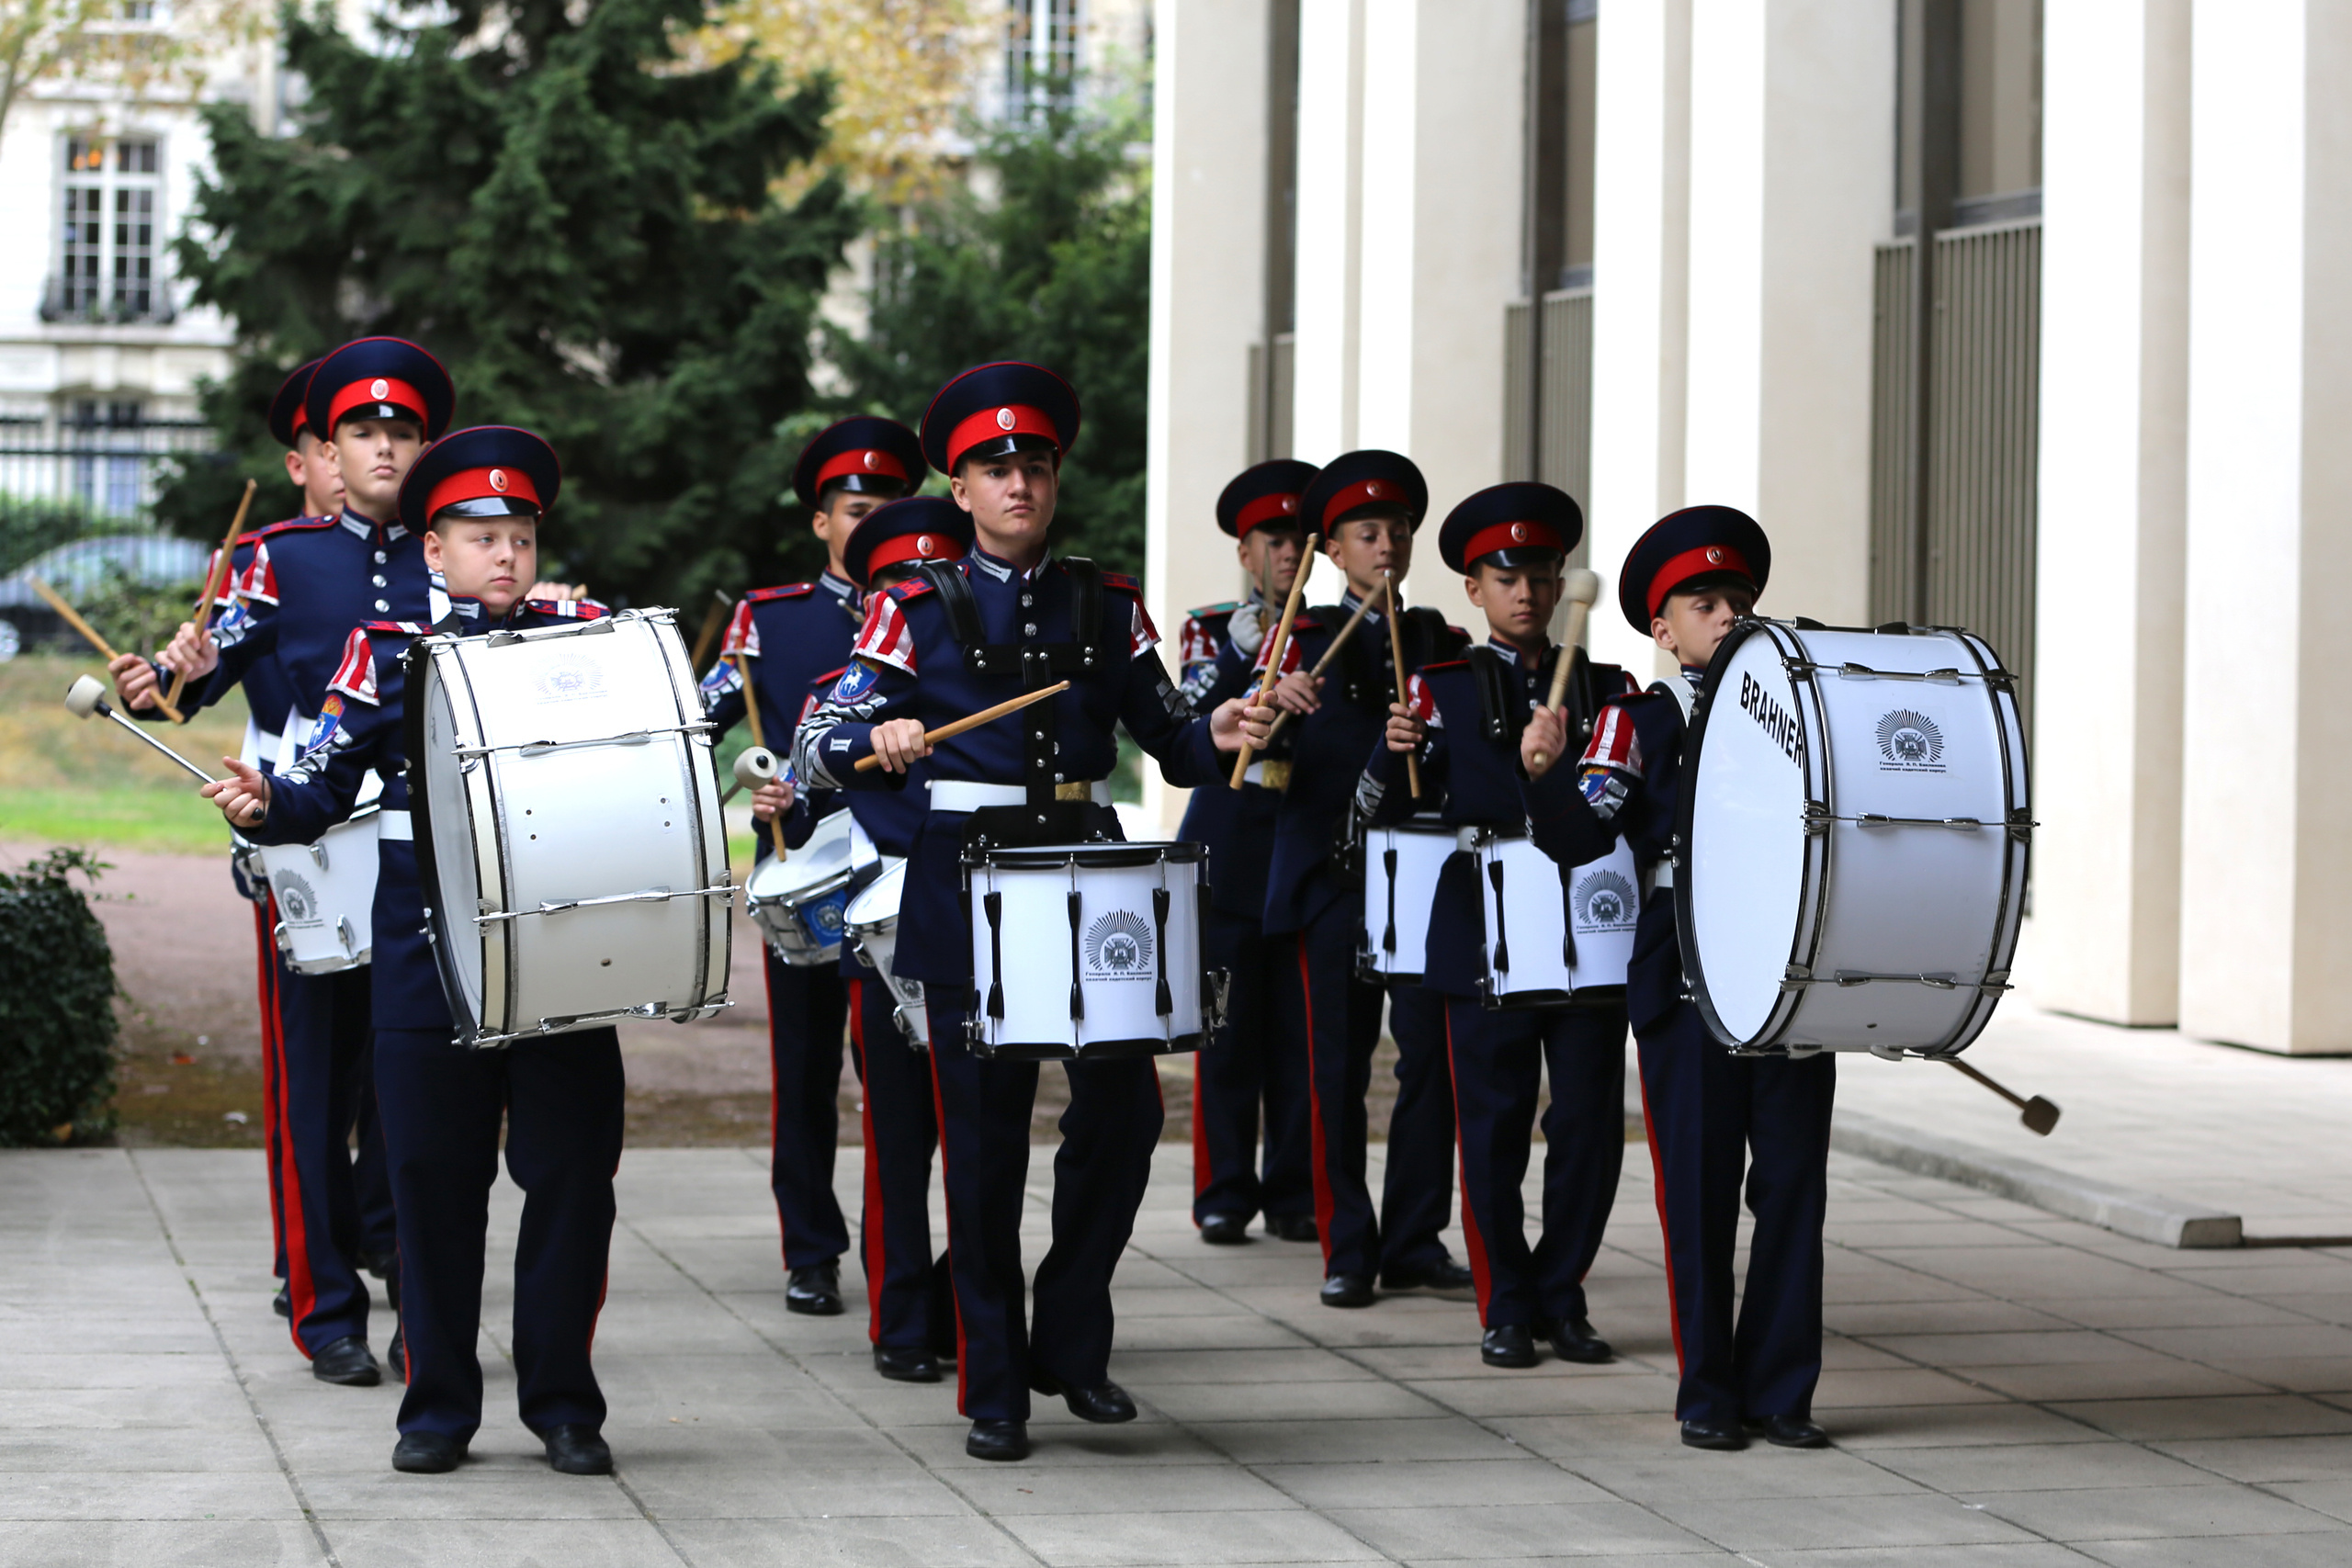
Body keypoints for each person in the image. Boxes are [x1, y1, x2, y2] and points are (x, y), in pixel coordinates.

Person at [789, 362, 1260, 1462]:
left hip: (1089, 866)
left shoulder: (1107, 602)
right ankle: (993, 1386)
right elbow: (822, 740)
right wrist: (875, 741)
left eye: (1034, 467)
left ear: (1054, 482)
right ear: (959, 489)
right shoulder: (909, 607)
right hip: (968, 873)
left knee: (1127, 1114)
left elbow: (1176, 740)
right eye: (996, 468)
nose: (1018, 484)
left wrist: (1226, 731)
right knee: (986, 1144)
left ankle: (1073, 1340)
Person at [203, 426, 629, 1478]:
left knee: (573, 1178)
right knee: (434, 1182)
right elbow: (317, 787)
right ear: (433, 551)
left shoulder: (583, 641)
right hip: (422, 948)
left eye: (521, 537)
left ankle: (564, 1405)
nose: (505, 557)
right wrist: (266, 806)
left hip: (558, 948)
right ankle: (437, 1407)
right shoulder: (386, 650)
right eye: (481, 537)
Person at [110, 339, 457, 1387]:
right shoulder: (279, 556)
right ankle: (324, 1306)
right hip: (309, 836)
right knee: (312, 1079)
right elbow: (192, 683)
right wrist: (162, 676)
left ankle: (393, 1247)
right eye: (364, 432)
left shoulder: (459, 552)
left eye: (403, 431)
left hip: (427, 847)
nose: (386, 446)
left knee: (415, 1071)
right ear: (328, 452)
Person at [1518, 504, 1834, 1451]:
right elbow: (1580, 834)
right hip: (1686, 958)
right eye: (1704, 602)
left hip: (1789, 962)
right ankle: (1707, 1393)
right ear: (1663, 629)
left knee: (1791, 1185)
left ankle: (1782, 1391)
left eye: (1737, 597)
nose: (1728, 613)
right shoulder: (1638, 718)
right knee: (1696, 1185)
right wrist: (1544, 774)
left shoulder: (1806, 709)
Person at [1359, 483, 1632, 1370]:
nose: (1527, 592)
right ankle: (1505, 1301)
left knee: (1588, 1123)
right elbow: (1376, 808)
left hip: (1588, 927)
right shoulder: (1434, 688)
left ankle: (1563, 1291)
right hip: (1481, 925)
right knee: (1494, 1126)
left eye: (1543, 574)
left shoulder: (1607, 688)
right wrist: (1393, 749)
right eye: (1505, 576)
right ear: (1474, 590)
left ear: (1560, 587)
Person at [701, 415, 928, 1317]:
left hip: (899, 877)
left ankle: (894, 1253)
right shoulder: (771, 618)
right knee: (804, 1072)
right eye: (857, 510)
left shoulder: (929, 613)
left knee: (900, 1080)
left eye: (891, 510)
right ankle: (810, 1248)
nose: (874, 527)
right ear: (823, 524)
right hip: (804, 876)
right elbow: (702, 719)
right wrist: (746, 784)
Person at [753, 495, 976, 1382]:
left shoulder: (982, 682)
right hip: (881, 936)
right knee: (898, 1133)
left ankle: (972, 1301)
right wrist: (786, 802)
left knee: (981, 1131)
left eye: (933, 577)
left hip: (977, 920)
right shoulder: (838, 697)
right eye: (896, 582)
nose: (914, 596)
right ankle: (902, 1316)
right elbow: (808, 800)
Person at [1253, 450, 1471, 1309]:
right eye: (1367, 534)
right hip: (1334, 878)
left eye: (1398, 531)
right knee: (1335, 1066)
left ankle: (1415, 1235)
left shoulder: (1440, 644)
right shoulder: (1296, 642)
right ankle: (1347, 1241)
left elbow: (1471, 757)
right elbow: (1248, 758)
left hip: (1422, 881)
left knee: (1430, 1063)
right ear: (1333, 551)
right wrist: (1276, 709)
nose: (1387, 546)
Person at [1177, 459, 1320, 1246]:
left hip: (1297, 840)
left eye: (1301, 539)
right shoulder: (1210, 627)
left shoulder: (1333, 632)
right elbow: (1195, 711)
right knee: (1225, 1031)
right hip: (1230, 842)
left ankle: (1295, 1189)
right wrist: (1252, 660)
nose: (1290, 552)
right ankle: (1224, 1190)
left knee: (1298, 1032)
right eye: (1274, 538)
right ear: (1245, 550)